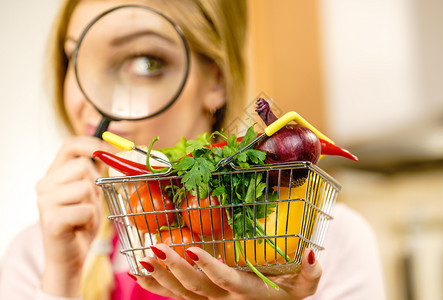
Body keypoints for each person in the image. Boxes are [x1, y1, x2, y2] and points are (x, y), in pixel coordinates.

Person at [0, 0, 386, 299]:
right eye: (77, 58)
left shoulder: (320, 240)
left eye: (146, 61)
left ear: (215, 80)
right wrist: (60, 283)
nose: (91, 97)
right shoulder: (38, 257)